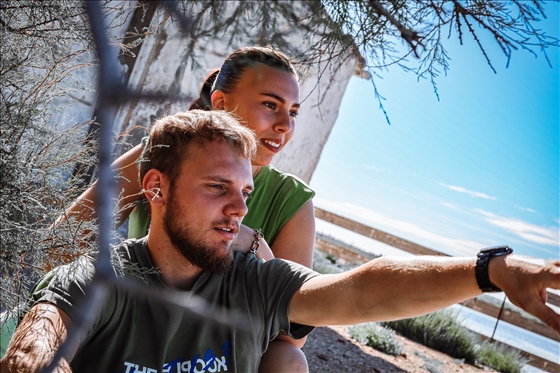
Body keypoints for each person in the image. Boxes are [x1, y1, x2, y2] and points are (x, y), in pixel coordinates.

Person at [2, 110, 559, 373]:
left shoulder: (254, 281)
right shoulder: (103, 277)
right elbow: (40, 341)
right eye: (218, 188)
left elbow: (360, 292)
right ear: (156, 189)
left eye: (245, 190)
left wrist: (491, 271)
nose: (240, 207)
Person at [58, 46, 315, 372]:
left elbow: (291, 336)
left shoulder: (291, 200)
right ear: (220, 103)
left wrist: (251, 243)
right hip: (135, 327)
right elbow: (64, 240)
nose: (284, 125)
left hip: (223, 353)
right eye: (270, 105)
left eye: (293, 112)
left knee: (290, 361)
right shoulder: (165, 152)